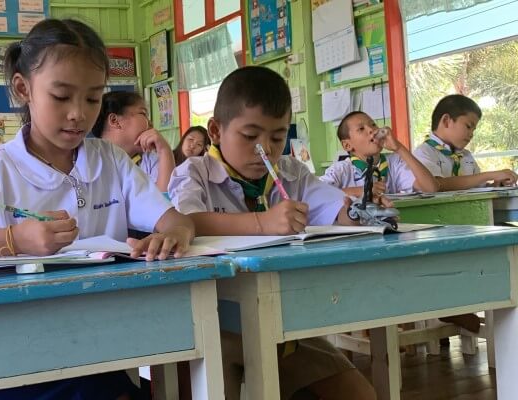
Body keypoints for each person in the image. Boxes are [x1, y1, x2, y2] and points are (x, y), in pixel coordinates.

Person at [0, 19, 194, 399]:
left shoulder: (110, 161)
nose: (78, 114)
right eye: (61, 97)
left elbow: (174, 220)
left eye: (92, 98)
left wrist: (174, 234)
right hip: (2, 356)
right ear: (23, 89)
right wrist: (14, 239)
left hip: (91, 345)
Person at [167, 66, 376, 400]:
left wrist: (359, 209)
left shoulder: (291, 172)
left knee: (359, 395)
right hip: (212, 324)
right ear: (216, 131)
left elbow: (336, 209)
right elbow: (187, 221)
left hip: (281, 323)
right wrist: (261, 223)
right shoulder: (194, 173)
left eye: (277, 138)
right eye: (250, 136)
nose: (264, 149)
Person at [413, 94, 517, 191]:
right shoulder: (423, 153)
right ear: (446, 121)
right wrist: (490, 175)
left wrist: (495, 185)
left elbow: (477, 187)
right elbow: (438, 185)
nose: (471, 134)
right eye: (468, 126)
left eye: (473, 130)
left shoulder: (466, 156)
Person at [320, 111, 438, 196]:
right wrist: (362, 191)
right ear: (347, 145)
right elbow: (318, 194)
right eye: (361, 129)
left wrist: (399, 148)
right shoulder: (341, 170)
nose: (371, 130)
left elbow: (430, 188)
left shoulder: (394, 162)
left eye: (373, 124)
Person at [91, 91, 176, 192]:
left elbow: (164, 199)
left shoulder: (149, 160)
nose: (150, 123)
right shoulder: (89, 160)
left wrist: (164, 150)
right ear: (114, 121)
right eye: (143, 113)